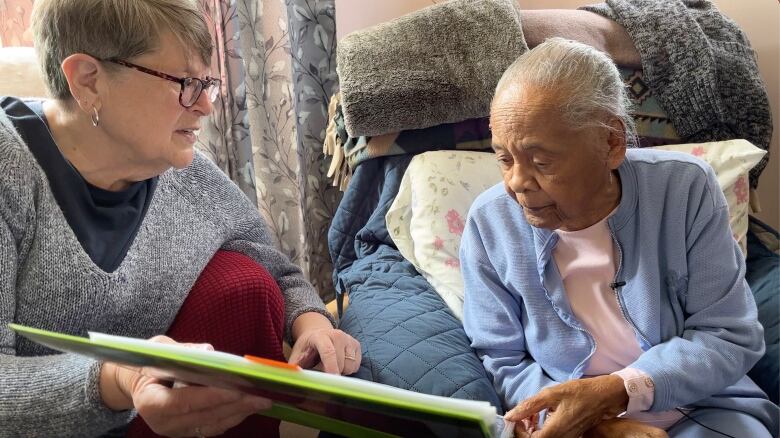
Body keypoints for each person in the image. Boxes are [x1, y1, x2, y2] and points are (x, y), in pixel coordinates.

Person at [0, 0, 360, 437]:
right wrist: (117, 379)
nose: (207, 106)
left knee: (243, 279)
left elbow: (274, 268)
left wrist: (313, 326)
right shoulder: (10, 171)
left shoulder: (187, 176)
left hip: (142, 421)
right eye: (187, 83)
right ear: (88, 81)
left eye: (207, 83)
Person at [460, 38, 778, 438]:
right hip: (560, 422)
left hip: (702, 405)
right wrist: (592, 425)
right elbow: (499, 356)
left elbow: (729, 334)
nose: (517, 183)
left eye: (541, 162)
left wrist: (619, 391)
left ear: (611, 143)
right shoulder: (490, 222)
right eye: (504, 159)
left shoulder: (684, 189)